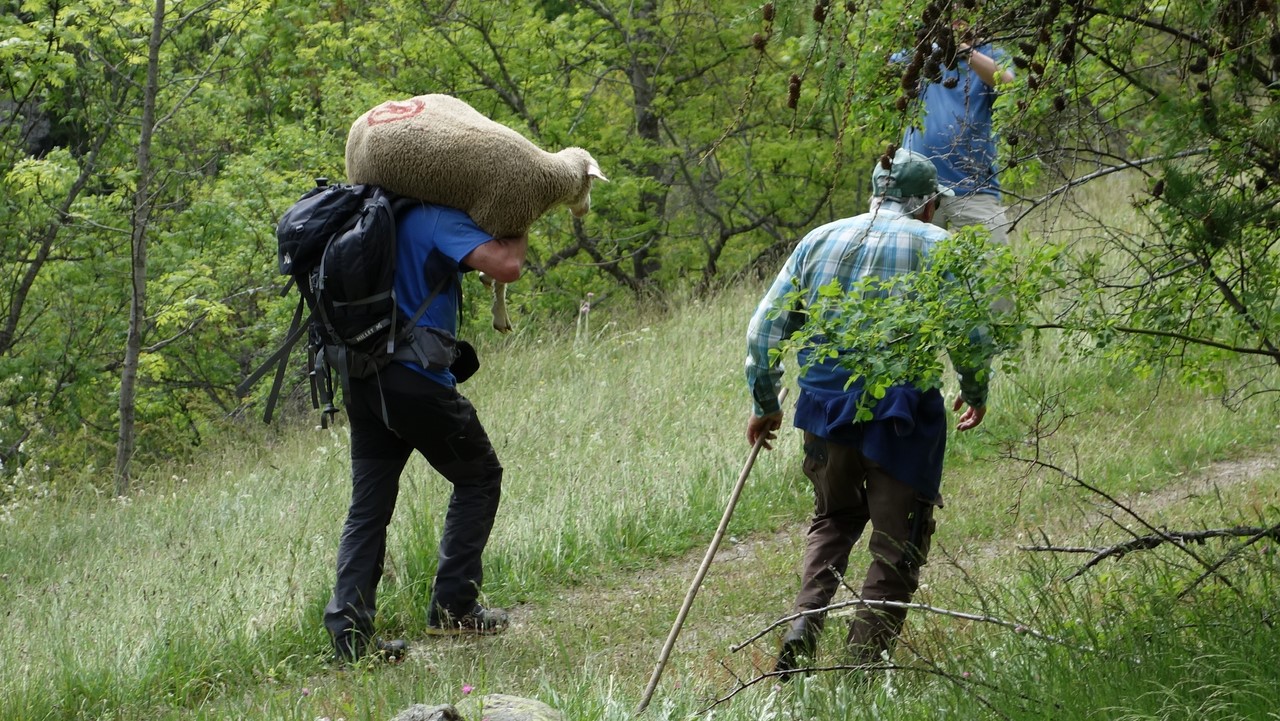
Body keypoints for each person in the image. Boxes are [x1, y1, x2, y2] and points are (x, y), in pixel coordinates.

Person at [744, 148, 995, 676]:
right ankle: (858, 671)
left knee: (833, 520)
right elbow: (969, 331)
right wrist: (975, 387)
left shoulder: (820, 239)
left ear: (876, 193)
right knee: (895, 546)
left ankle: (804, 626)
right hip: (900, 419)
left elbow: (764, 329)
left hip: (824, 412)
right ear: (927, 204)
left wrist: (766, 403)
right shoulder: (938, 245)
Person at [323, 202, 526, 663]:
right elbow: (507, 265)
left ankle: (350, 640)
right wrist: (520, 216)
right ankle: (453, 609)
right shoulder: (432, 218)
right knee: (480, 476)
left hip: (363, 381)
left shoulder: (370, 218)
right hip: (416, 383)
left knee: (368, 509)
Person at [902, 28, 1015, 244]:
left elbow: (1008, 82)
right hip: (918, 187)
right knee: (912, 269)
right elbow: (885, 67)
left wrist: (963, 50)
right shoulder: (925, 52)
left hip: (972, 186)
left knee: (994, 263)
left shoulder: (990, 54)